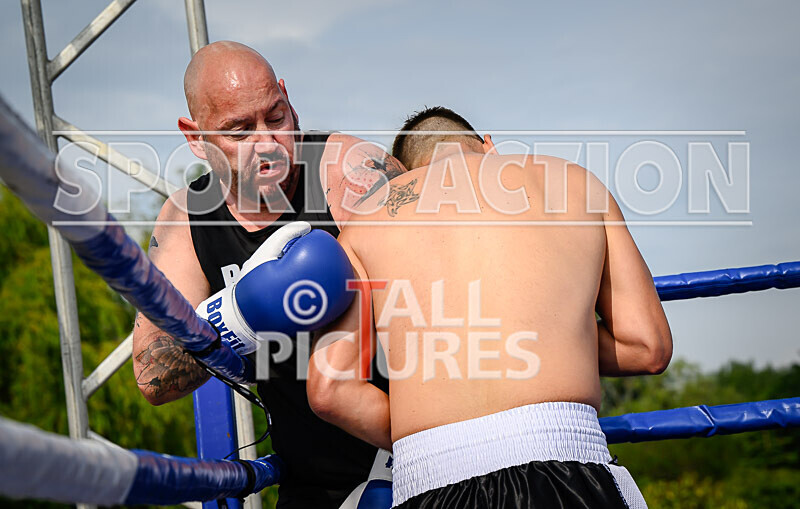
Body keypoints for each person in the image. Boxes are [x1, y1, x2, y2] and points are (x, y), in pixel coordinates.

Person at [306, 107, 672, 508]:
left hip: (430, 477)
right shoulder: (575, 182)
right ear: (490, 147)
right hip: (565, 463)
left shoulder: (365, 224)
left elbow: (330, 390)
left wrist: (428, 438)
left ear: (404, 172)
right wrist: (553, 331)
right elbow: (646, 345)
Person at [132, 41, 404, 508]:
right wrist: (237, 321)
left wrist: (406, 458)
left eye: (275, 117)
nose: (266, 142)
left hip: (412, 453)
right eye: (238, 131)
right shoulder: (187, 220)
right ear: (195, 136)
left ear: (288, 98)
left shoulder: (346, 171)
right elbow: (152, 376)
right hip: (310, 479)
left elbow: (440, 292)